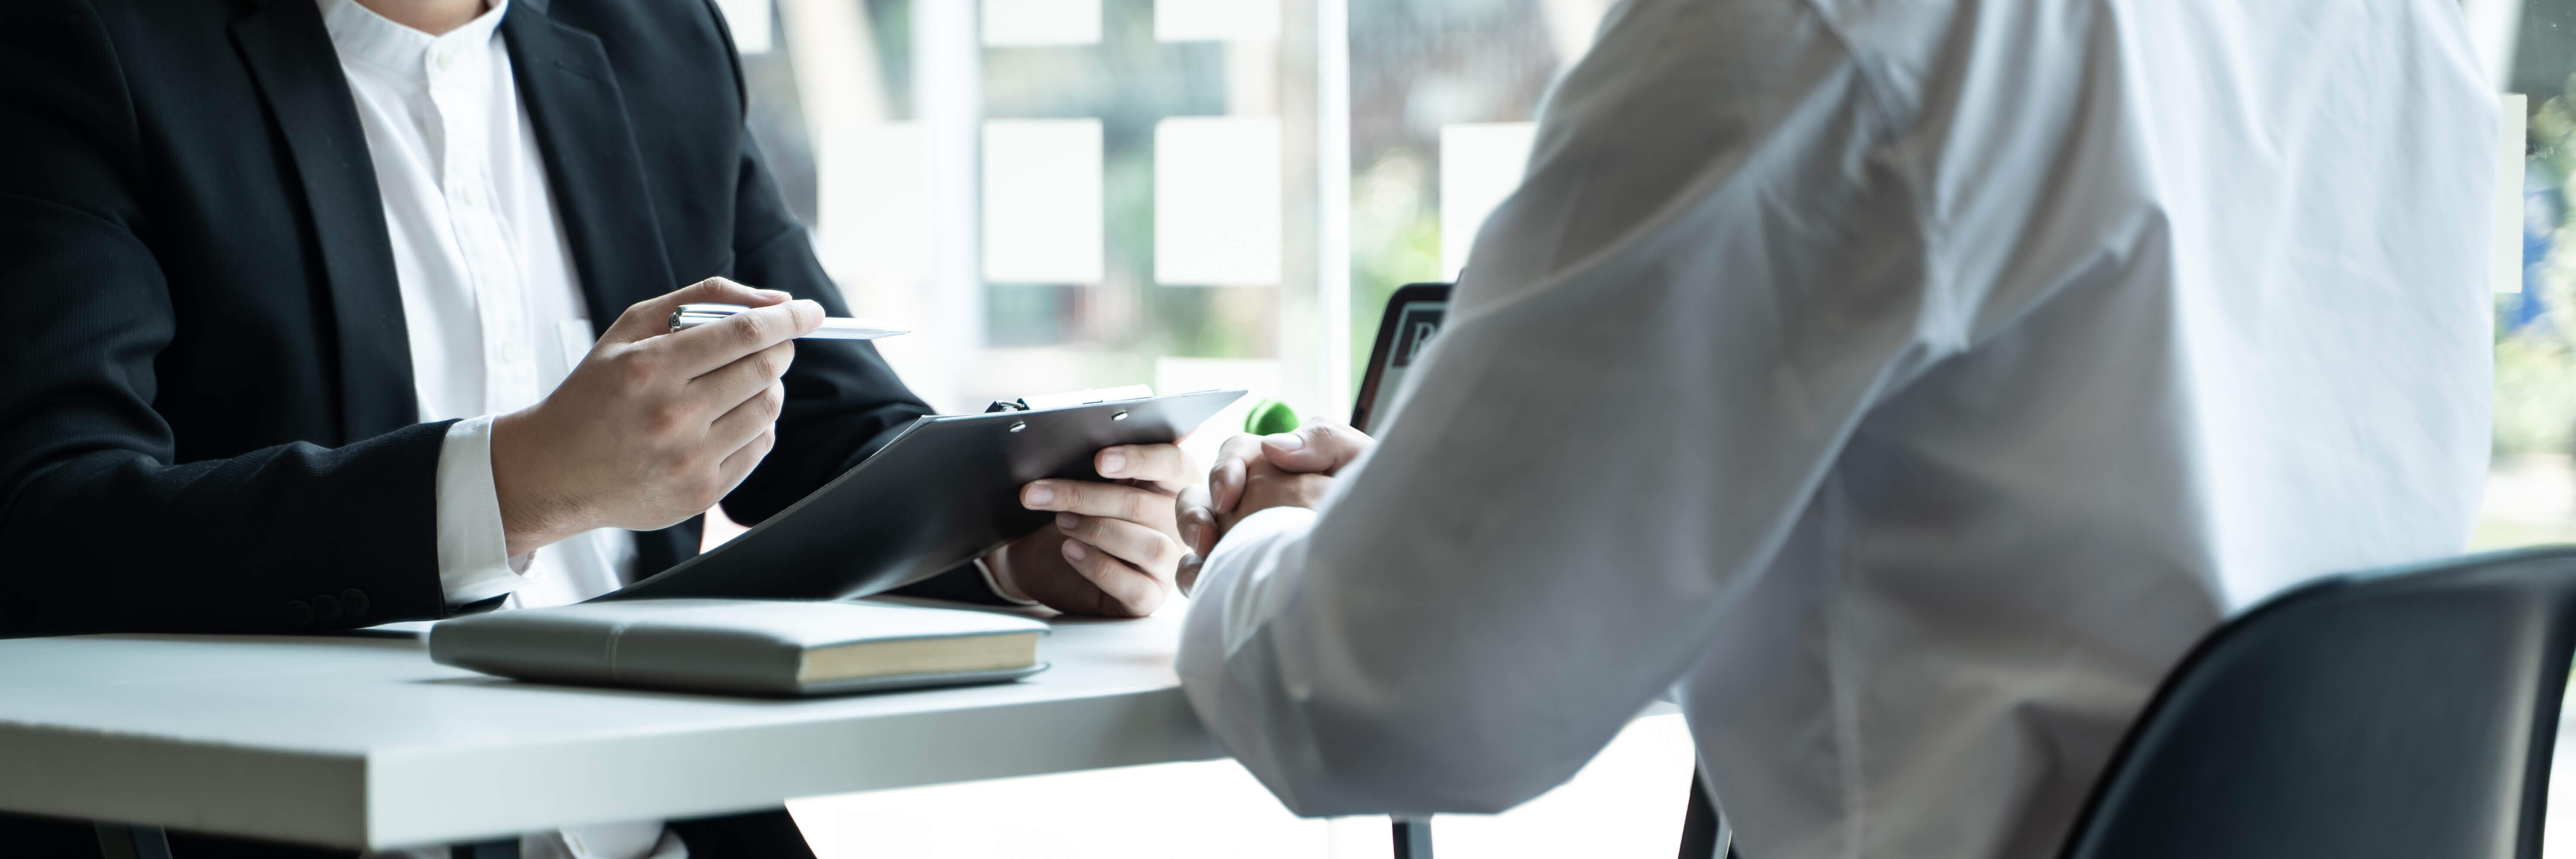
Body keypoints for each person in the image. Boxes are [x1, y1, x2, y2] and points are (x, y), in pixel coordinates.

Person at [1170, 1, 2496, 858]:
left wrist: (1267, 552)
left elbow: (1387, 699)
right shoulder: (2404, 22)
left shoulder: (1801, 27)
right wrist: (1469, 524)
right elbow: (2018, 543)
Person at [0, 0, 1193, 855]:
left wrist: (1013, 531)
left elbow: (837, 421)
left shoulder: (655, 37)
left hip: (668, 811)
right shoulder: (88, 43)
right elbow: (48, 517)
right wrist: (511, 485)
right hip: (316, 825)